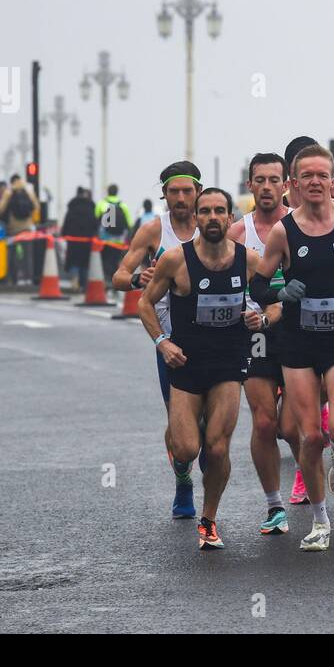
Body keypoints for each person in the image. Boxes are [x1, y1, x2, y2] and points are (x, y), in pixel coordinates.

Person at [248, 144, 334, 552]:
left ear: (333, 182)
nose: (313, 182)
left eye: (321, 175)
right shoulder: (283, 231)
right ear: (294, 183)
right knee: (309, 438)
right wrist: (280, 291)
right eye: (305, 175)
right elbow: (258, 284)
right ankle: (321, 521)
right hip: (298, 342)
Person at [139, 188, 261, 550]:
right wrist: (163, 342)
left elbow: (274, 301)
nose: (211, 218)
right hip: (187, 363)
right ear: (195, 218)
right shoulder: (176, 260)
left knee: (218, 448)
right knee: (187, 448)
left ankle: (208, 519)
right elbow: (145, 305)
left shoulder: (249, 260)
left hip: (229, 362)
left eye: (218, 211)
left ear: (229, 218)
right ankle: (183, 476)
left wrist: (261, 317)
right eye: (204, 211)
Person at [113, 161, 202, 518]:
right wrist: (138, 279)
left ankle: (206, 469)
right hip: (169, 336)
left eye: (187, 191)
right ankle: (183, 480)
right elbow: (119, 275)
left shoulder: (214, 225)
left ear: (198, 191)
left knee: (211, 426)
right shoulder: (153, 230)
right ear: (163, 194)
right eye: (173, 192)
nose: (181, 198)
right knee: (180, 424)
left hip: (211, 333)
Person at [226, 152, 301, 534]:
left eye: (275, 180)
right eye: (260, 180)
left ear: (287, 185)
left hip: (299, 333)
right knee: (265, 422)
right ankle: (275, 506)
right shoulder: (238, 234)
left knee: (294, 426)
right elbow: (220, 280)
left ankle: (314, 476)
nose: (268, 187)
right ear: (250, 185)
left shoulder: (301, 225)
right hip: (255, 336)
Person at [0, 175, 40, 285]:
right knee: (27, 255)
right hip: (27, 228)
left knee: (12, 254)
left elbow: (0, 210)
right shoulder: (29, 191)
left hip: (13, 229)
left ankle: (14, 278)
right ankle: (28, 278)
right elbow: (36, 206)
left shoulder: (8, 192)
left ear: (12, 182)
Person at [95, 184, 132, 290]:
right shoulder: (122, 205)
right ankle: (115, 280)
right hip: (119, 239)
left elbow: (96, 219)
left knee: (105, 259)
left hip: (105, 239)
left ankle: (106, 280)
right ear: (117, 192)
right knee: (115, 259)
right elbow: (129, 223)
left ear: (108, 192)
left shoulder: (102, 204)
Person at [60, 187, 98, 289]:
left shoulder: (72, 207)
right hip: (87, 239)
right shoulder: (90, 207)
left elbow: (67, 222)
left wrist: (63, 233)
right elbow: (94, 223)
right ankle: (84, 282)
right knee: (84, 261)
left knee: (73, 260)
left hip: (73, 239)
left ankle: (74, 280)